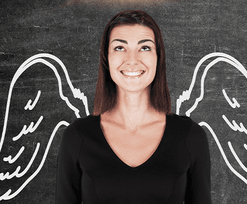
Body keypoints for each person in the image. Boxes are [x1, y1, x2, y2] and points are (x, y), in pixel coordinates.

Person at [56, 10, 212, 204]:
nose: (131, 60)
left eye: (145, 48)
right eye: (120, 48)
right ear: (106, 58)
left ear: (158, 57)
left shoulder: (190, 136)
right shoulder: (77, 137)